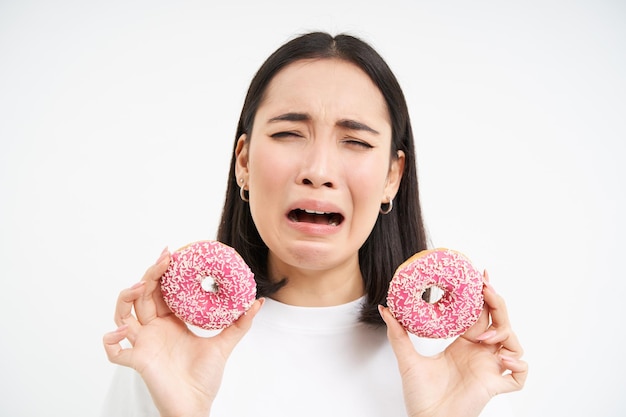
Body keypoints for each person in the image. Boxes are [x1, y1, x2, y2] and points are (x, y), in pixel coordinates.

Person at [101, 31, 527, 417]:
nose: (318, 170)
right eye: (289, 133)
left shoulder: (459, 363)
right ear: (244, 161)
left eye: (356, 141)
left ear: (392, 177)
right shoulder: (170, 351)